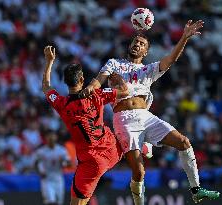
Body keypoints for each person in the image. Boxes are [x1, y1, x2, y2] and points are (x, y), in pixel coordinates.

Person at [83, 20, 220, 204]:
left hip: (145, 117)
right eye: (135, 42)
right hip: (124, 119)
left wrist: (184, 37)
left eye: (142, 44)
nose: (137, 45)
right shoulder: (114, 63)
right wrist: (90, 88)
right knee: (139, 172)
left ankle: (196, 189)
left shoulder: (148, 70)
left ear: (145, 52)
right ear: (129, 45)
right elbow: (98, 80)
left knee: (184, 142)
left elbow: (171, 59)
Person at [42, 46, 150, 205]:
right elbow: (124, 92)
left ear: (65, 82)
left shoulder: (61, 104)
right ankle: (143, 147)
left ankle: (142, 146)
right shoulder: (97, 95)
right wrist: (115, 77)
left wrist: (49, 62)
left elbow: (46, 86)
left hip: (92, 162)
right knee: (126, 132)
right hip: (113, 148)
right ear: (82, 80)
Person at [34, 130, 71, 205]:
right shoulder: (41, 151)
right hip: (47, 179)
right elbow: (35, 163)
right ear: (45, 138)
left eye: (52, 136)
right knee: (51, 201)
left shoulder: (61, 150)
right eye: (48, 136)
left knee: (59, 202)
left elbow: (68, 164)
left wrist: (63, 162)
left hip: (58, 179)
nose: (51, 138)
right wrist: (40, 172)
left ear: (56, 137)